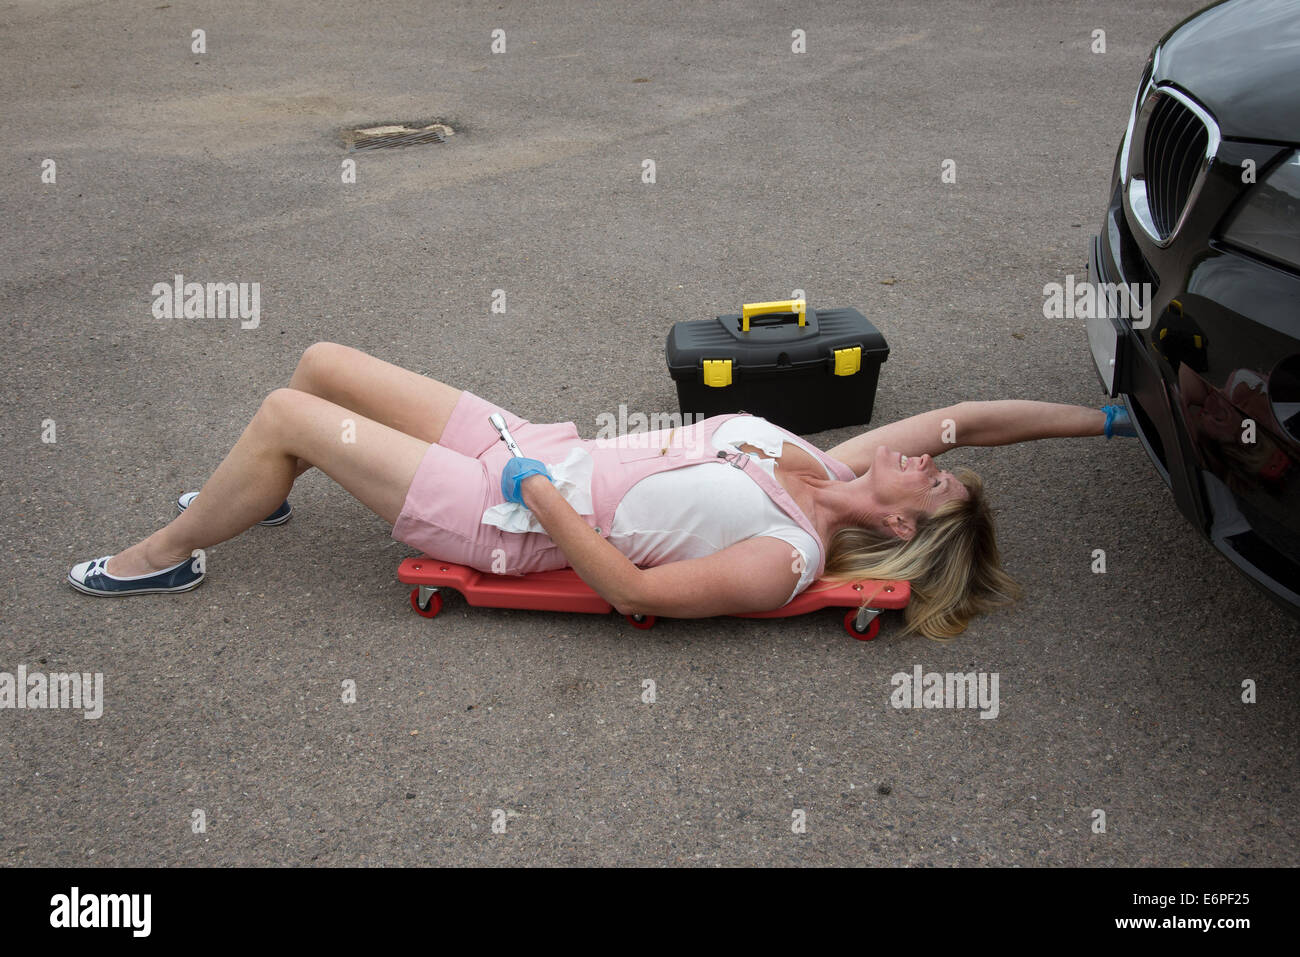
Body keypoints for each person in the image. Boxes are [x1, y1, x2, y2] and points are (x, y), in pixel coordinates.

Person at [66, 342, 1135, 638]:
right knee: (323, 362)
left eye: (934, 480)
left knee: (287, 414)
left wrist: (540, 502)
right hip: (532, 448)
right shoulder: (836, 471)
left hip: (502, 513)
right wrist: (1113, 421)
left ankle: (162, 560)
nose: (925, 456)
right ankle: (264, 490)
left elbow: (633, 593)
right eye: (932, 461)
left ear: (900, 525)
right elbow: (982, 420)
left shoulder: (786, 559)